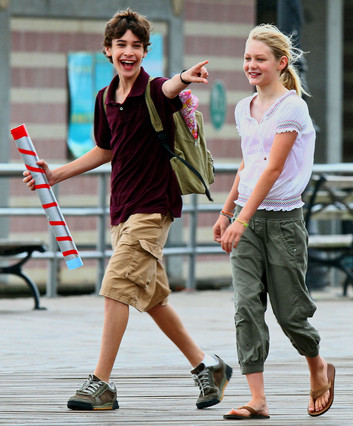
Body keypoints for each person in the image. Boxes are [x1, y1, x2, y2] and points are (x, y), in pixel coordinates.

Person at [22, 8, 232, 411]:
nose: (129, 52)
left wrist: (185, 78)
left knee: (116, 286)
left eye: (137, 46)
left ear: (145, 52)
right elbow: (106, 149)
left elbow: (171, 88)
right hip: (121, 209)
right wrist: (56, 174)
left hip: (153, 208)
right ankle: (209, 365)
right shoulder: (105, 99)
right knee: (153, 299)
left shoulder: (153, 91)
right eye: (122, 45)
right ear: (108, 50)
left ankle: (101, 383)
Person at [212, 24, 335, 420]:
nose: (251, 65)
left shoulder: (292, 108)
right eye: (247, 58)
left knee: (290, 312)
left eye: (259, 58)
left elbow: (273, 168)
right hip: (247, 218)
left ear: (281, 63)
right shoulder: (242, 108)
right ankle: (257, 398)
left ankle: (317, 365)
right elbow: (248, 165)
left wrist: (240, 221)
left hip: (282, 222)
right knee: (246, 306)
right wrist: (226, 211)